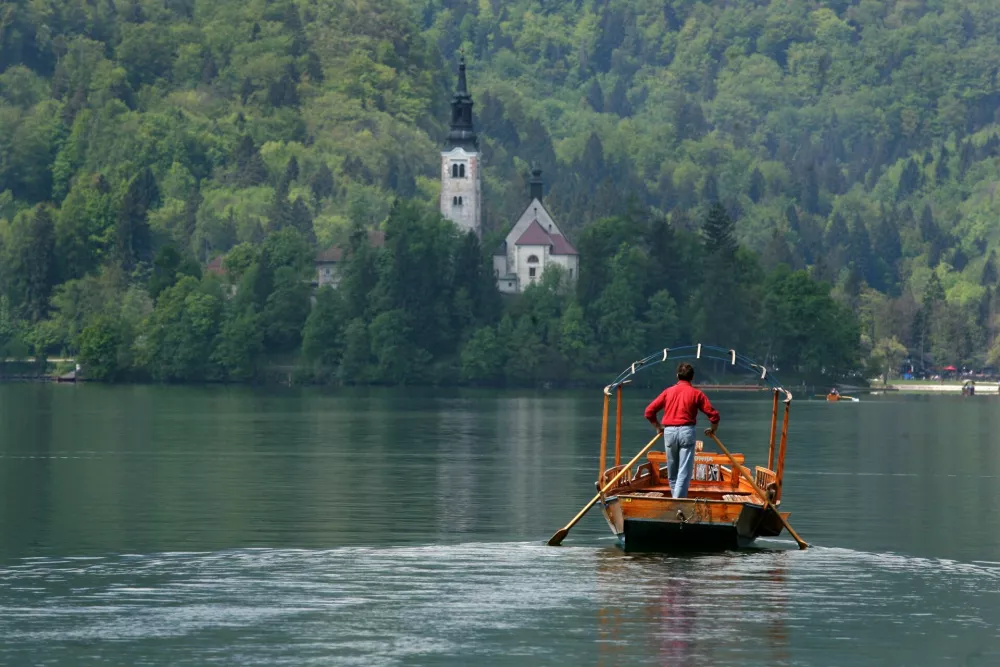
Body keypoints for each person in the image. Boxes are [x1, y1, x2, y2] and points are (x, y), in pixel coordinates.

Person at [644, 362, 721, 499]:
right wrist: (713, 429)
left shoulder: (668, 392)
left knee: (672, 472)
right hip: (686, 432)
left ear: (677, 376)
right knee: (684, 472)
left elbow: (649, 411)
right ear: (692, 377)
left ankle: (676, 503)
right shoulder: (696, 393)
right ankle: (678, 504)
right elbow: (714, 415)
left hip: (669, 432)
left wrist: (658, 427)